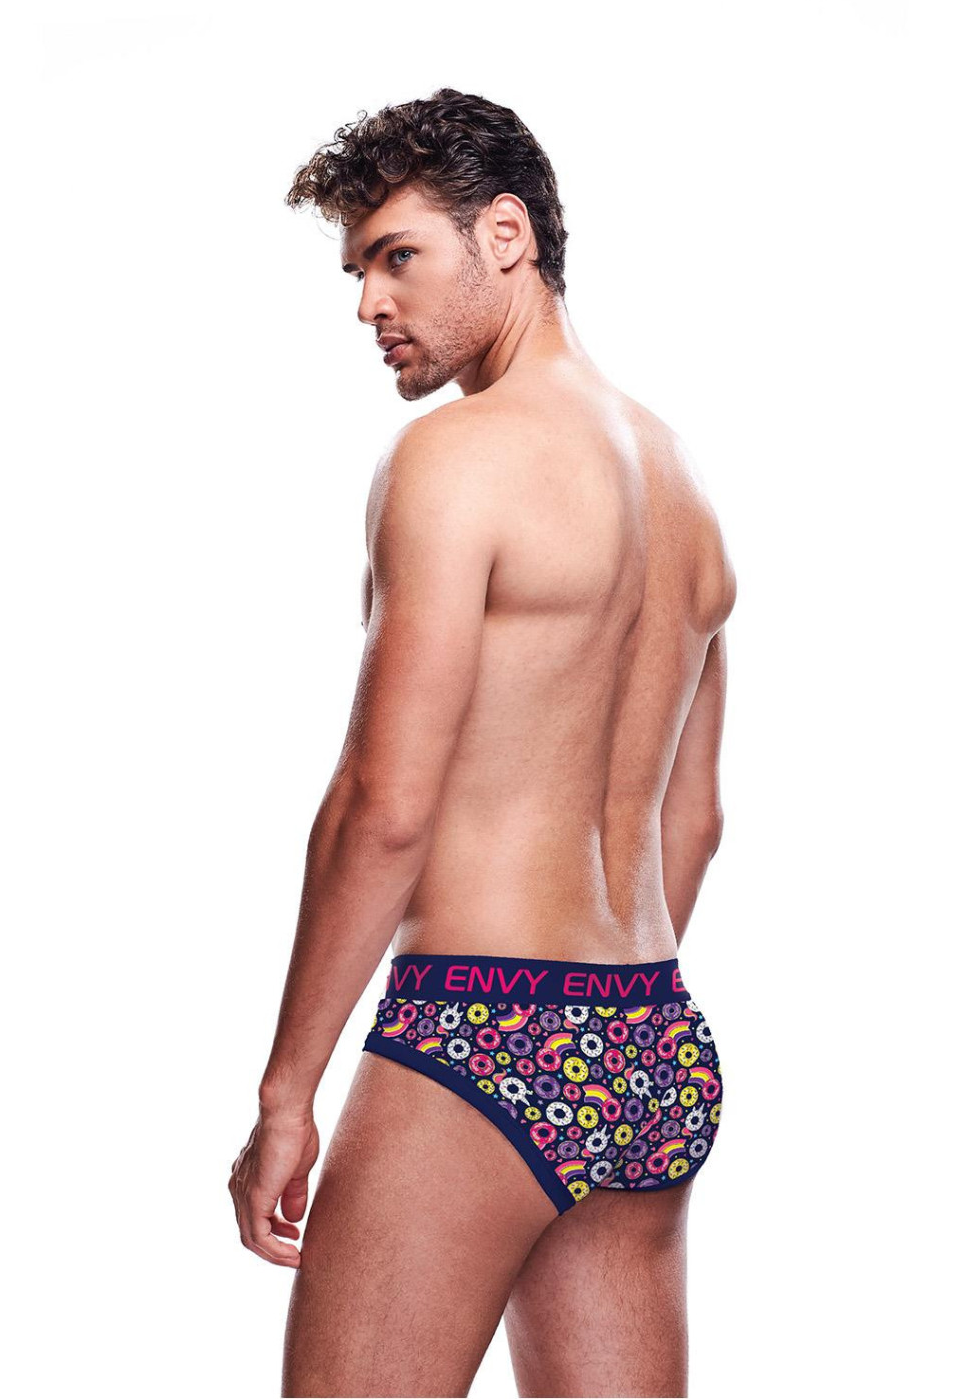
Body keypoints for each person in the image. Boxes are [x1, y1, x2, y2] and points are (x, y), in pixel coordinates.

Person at [228, 87, 737, 1398]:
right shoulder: (682, 481)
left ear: (505, 234)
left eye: (396, 255)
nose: (368, 303)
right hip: (649, 1040)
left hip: (483, 1032)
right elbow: (693, 821)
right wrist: (593, 1019)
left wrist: (287, 1092)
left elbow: (383, 805)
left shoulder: (454, 458)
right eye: (357, 271)